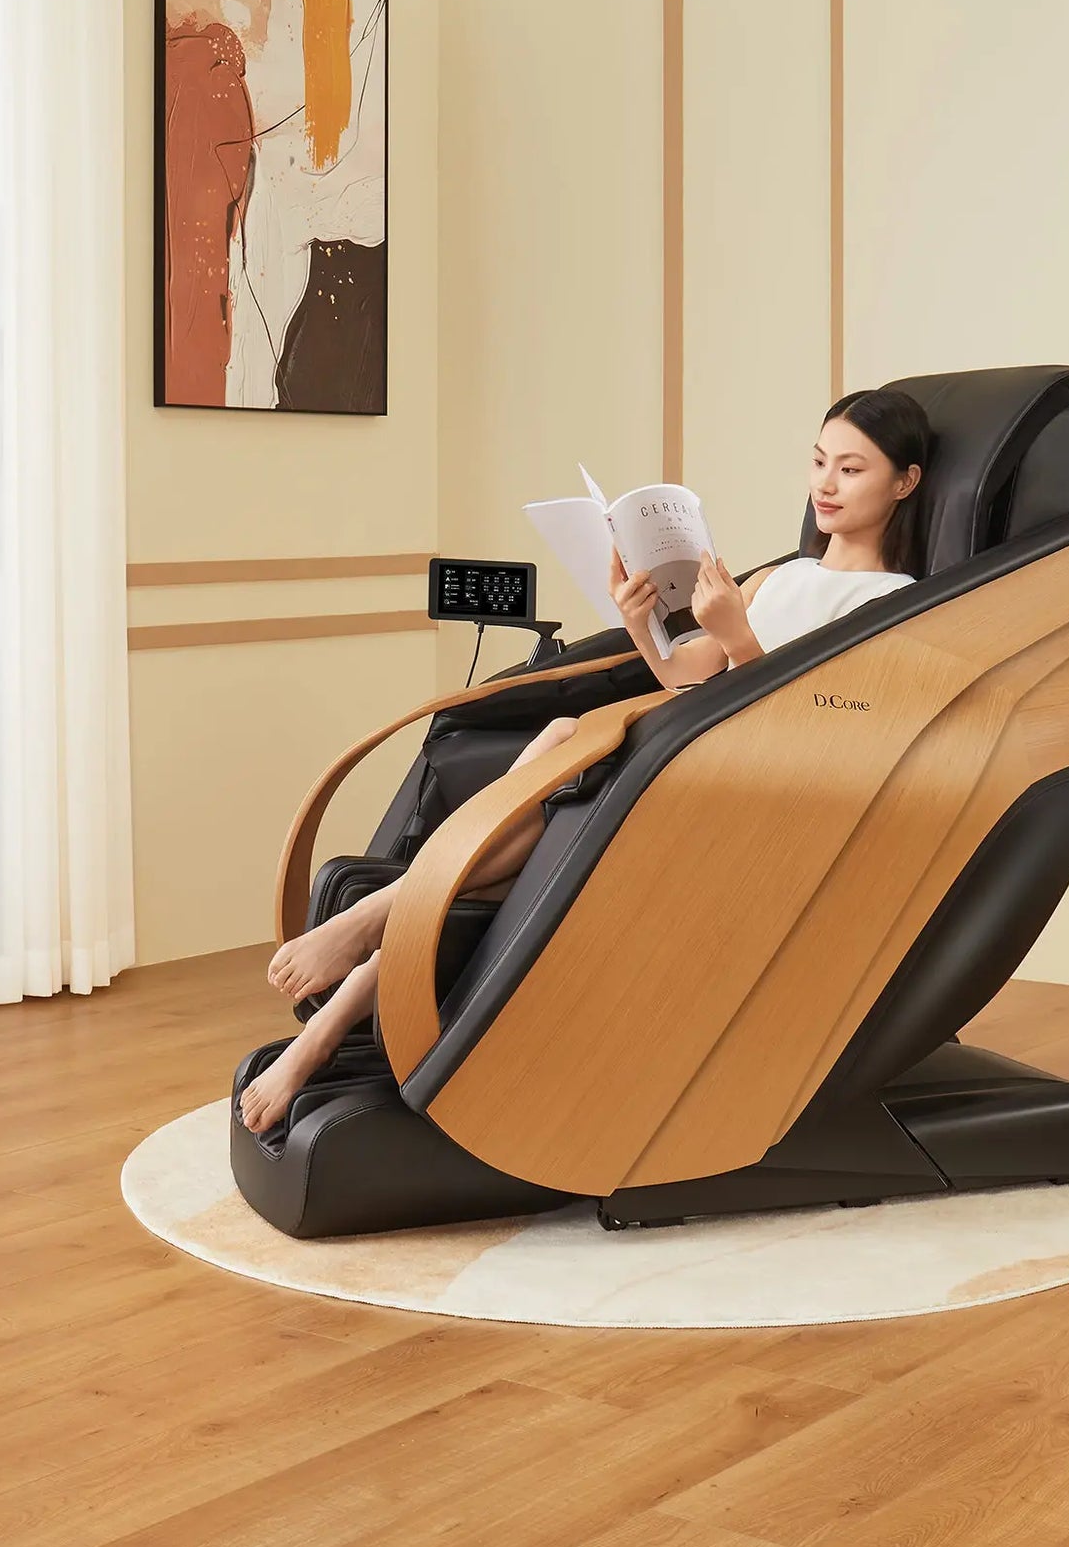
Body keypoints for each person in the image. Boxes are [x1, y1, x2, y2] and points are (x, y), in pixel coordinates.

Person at [238, 387, 930, 1133]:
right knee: (547, 781)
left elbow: (815, 728)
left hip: (747, 791)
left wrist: (738, 638)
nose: (825, 485)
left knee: (568, 739)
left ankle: (374, 925)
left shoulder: (895, 601)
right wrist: (639, 624)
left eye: (851, 469)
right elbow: (685, 677)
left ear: (905, 482)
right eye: (819, 462)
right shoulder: (780, 576)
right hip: (686, 747)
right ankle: (327, 1024)